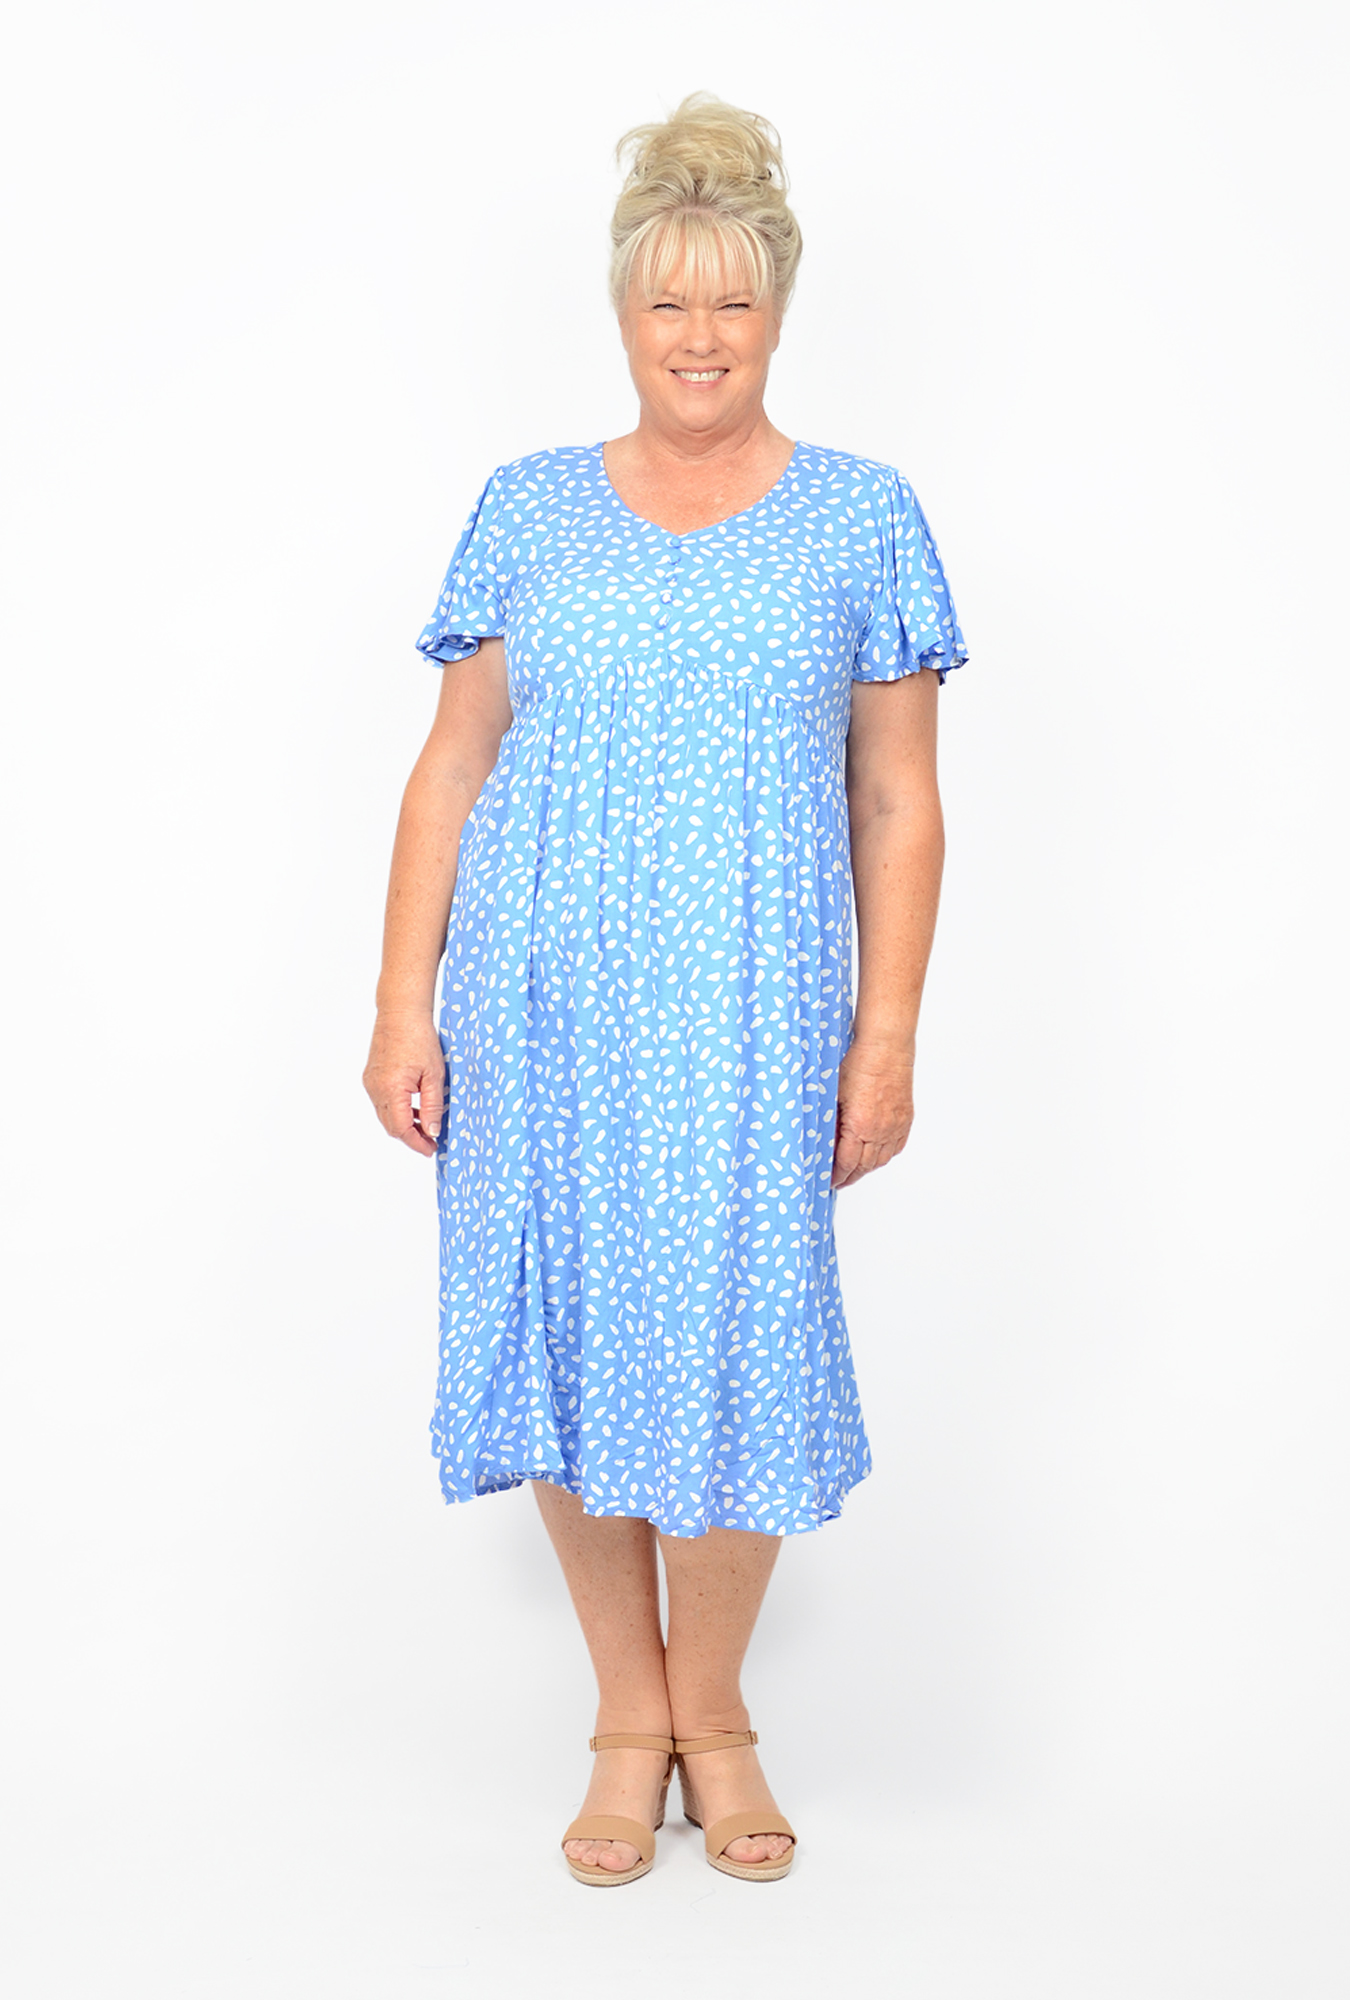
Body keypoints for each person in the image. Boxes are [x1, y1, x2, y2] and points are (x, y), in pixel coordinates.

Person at [363, 90, 969, 1886]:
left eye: (731, 303)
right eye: (665, 303)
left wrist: (885, 1034)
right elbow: (451, 765)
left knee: (729, 1334)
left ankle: (719, 1713)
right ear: (621, 314)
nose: (698, 337)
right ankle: (628, 1721)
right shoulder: (529, 508)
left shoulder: (861, 517)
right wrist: (402, 1003)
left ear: (777, 311)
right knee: (564, 1326)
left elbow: (897, 798)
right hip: (534, 1000)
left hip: (751, 1008)